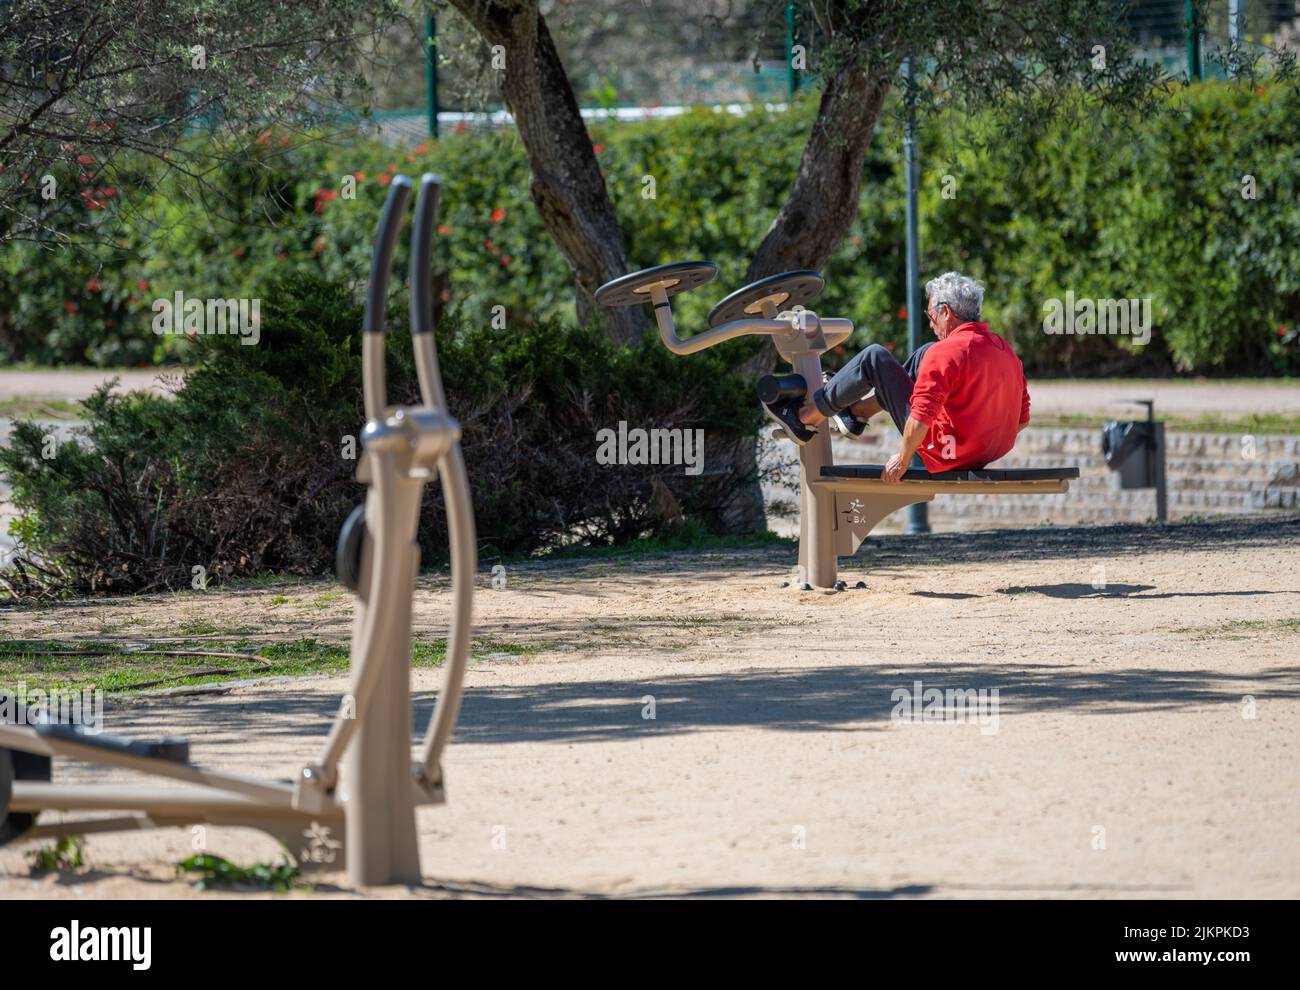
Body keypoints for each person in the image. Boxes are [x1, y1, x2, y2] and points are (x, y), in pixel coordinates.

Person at [761, 271, 1031, 482]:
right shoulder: (1007, 352)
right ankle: (857, 412)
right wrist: (980, 444)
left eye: (931, 315)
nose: (930, 322)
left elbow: (921, 417)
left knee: (874, 357)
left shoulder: (948, 353)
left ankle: (805, 417)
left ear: (946, 312)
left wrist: (903, 458)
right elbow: (1022, 420)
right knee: (926, 352)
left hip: (945, 451)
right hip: (982, 454)